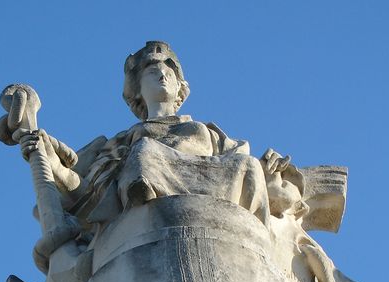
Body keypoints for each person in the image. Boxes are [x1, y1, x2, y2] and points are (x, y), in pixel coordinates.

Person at [19, 41, 291, 235]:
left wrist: (269, 167)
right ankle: (146, 209)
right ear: (136, 90)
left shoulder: (208, 132)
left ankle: (254, 234)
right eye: (151, 71)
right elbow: (89, 190)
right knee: (145, 153)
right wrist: (53, 166)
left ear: (179, 88)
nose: (162, 74)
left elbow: (241, 161)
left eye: (169, 72)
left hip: (213, 185)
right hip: (147, 186)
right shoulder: (126, 141)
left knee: (248, 165)